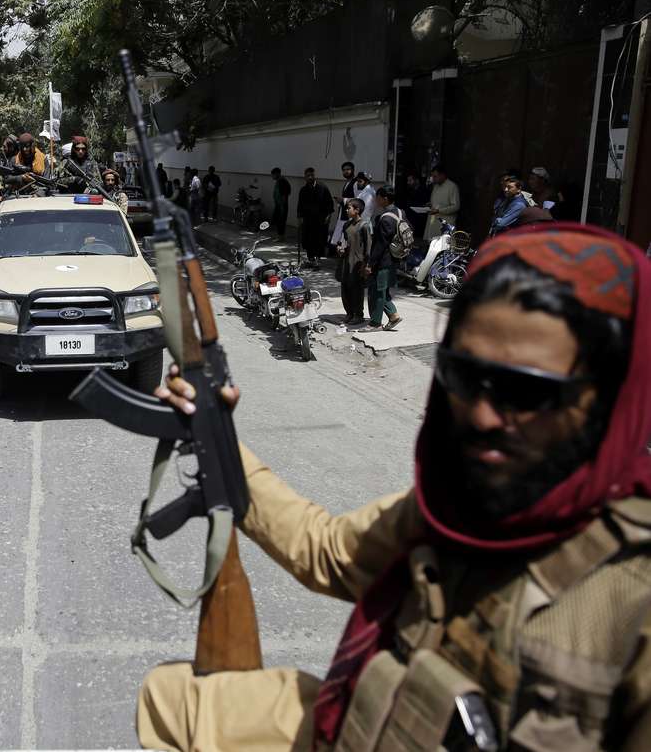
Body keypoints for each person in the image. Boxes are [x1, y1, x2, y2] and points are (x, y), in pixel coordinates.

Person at [139, 223, 651, 752]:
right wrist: (217, 438)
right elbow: (328, 551)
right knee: (170, 699)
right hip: (363, 728)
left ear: (609, 403)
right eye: (464, 376)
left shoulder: (632, 594)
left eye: (526, 392)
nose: (481, 415)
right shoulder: (454, 506)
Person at [361, 185, 402, 332]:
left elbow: (380, 245)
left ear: (385, 198)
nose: (376, 200)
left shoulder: (385, 219)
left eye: (377, 197)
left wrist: (370, 264)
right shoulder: (399, 212)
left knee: (377, 291)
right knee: (383, 290)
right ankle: (393, 315)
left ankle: (375, 323)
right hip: (394, 258)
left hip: (383, 261)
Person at [336, 198, 370, 326]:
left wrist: (366, 265)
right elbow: (343, 242)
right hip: (346, 262)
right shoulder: (346, 225)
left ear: (357, 210)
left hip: (357, 264)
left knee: (356, 290)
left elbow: (368, 248)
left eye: (349, 208)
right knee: (345, 289)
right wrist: (340, 249)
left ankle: (358, 315)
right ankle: (349, 313)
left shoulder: (364, 226)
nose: (346, 210)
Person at [296, 167, 333, 269]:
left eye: (311, 175)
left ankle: (318, 260)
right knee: (308, 240)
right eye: (307, 176)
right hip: (308, 220)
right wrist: (299, 217)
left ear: (314, 175)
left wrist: (329, 216)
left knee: (319, 240)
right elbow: (300, 205)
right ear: (305, 177)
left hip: (320, 220)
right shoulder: (303, 190)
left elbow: (329, 203)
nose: (310, 177)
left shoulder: (322, 187)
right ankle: (310, 259)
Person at [427, 164, 460, 240]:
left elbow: (456, 206)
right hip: (434, 223)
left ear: (442, 175)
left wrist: (439, 210)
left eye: (435, 176)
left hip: (446, 224)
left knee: (445, 245)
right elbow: (435, 202)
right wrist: (430, 204)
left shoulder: (452, 186)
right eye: (432, 176)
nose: (433, 179)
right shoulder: (436, 186)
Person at [329, 161, 357, 246]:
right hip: (343, 213)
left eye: (348, 169)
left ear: (353, 170)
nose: (346, 171)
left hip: (350, 215)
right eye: (344, 170)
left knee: (346, 239)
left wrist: (343, 200)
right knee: (340, 239)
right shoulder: (347, 182)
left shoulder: (355, 183)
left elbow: (357, 200)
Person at [400, 170, 431, 240]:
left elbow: (425, 205)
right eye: (408, 181)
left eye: (410, 180)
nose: (408, 183)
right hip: (409, 222)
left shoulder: (425, 191)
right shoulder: (408, 191)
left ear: (417, 181)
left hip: (419, 223)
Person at [270, 168, 292, 238]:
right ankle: (279, 235)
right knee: (277, 220)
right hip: (278, 204)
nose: (272, 176)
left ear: (277, 174)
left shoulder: (282, 181)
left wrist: (282, 206)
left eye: (273, 175)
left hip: (281, 205)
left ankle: (281, 237)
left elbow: (284, 194)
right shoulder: (279, 181)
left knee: (281, 221)